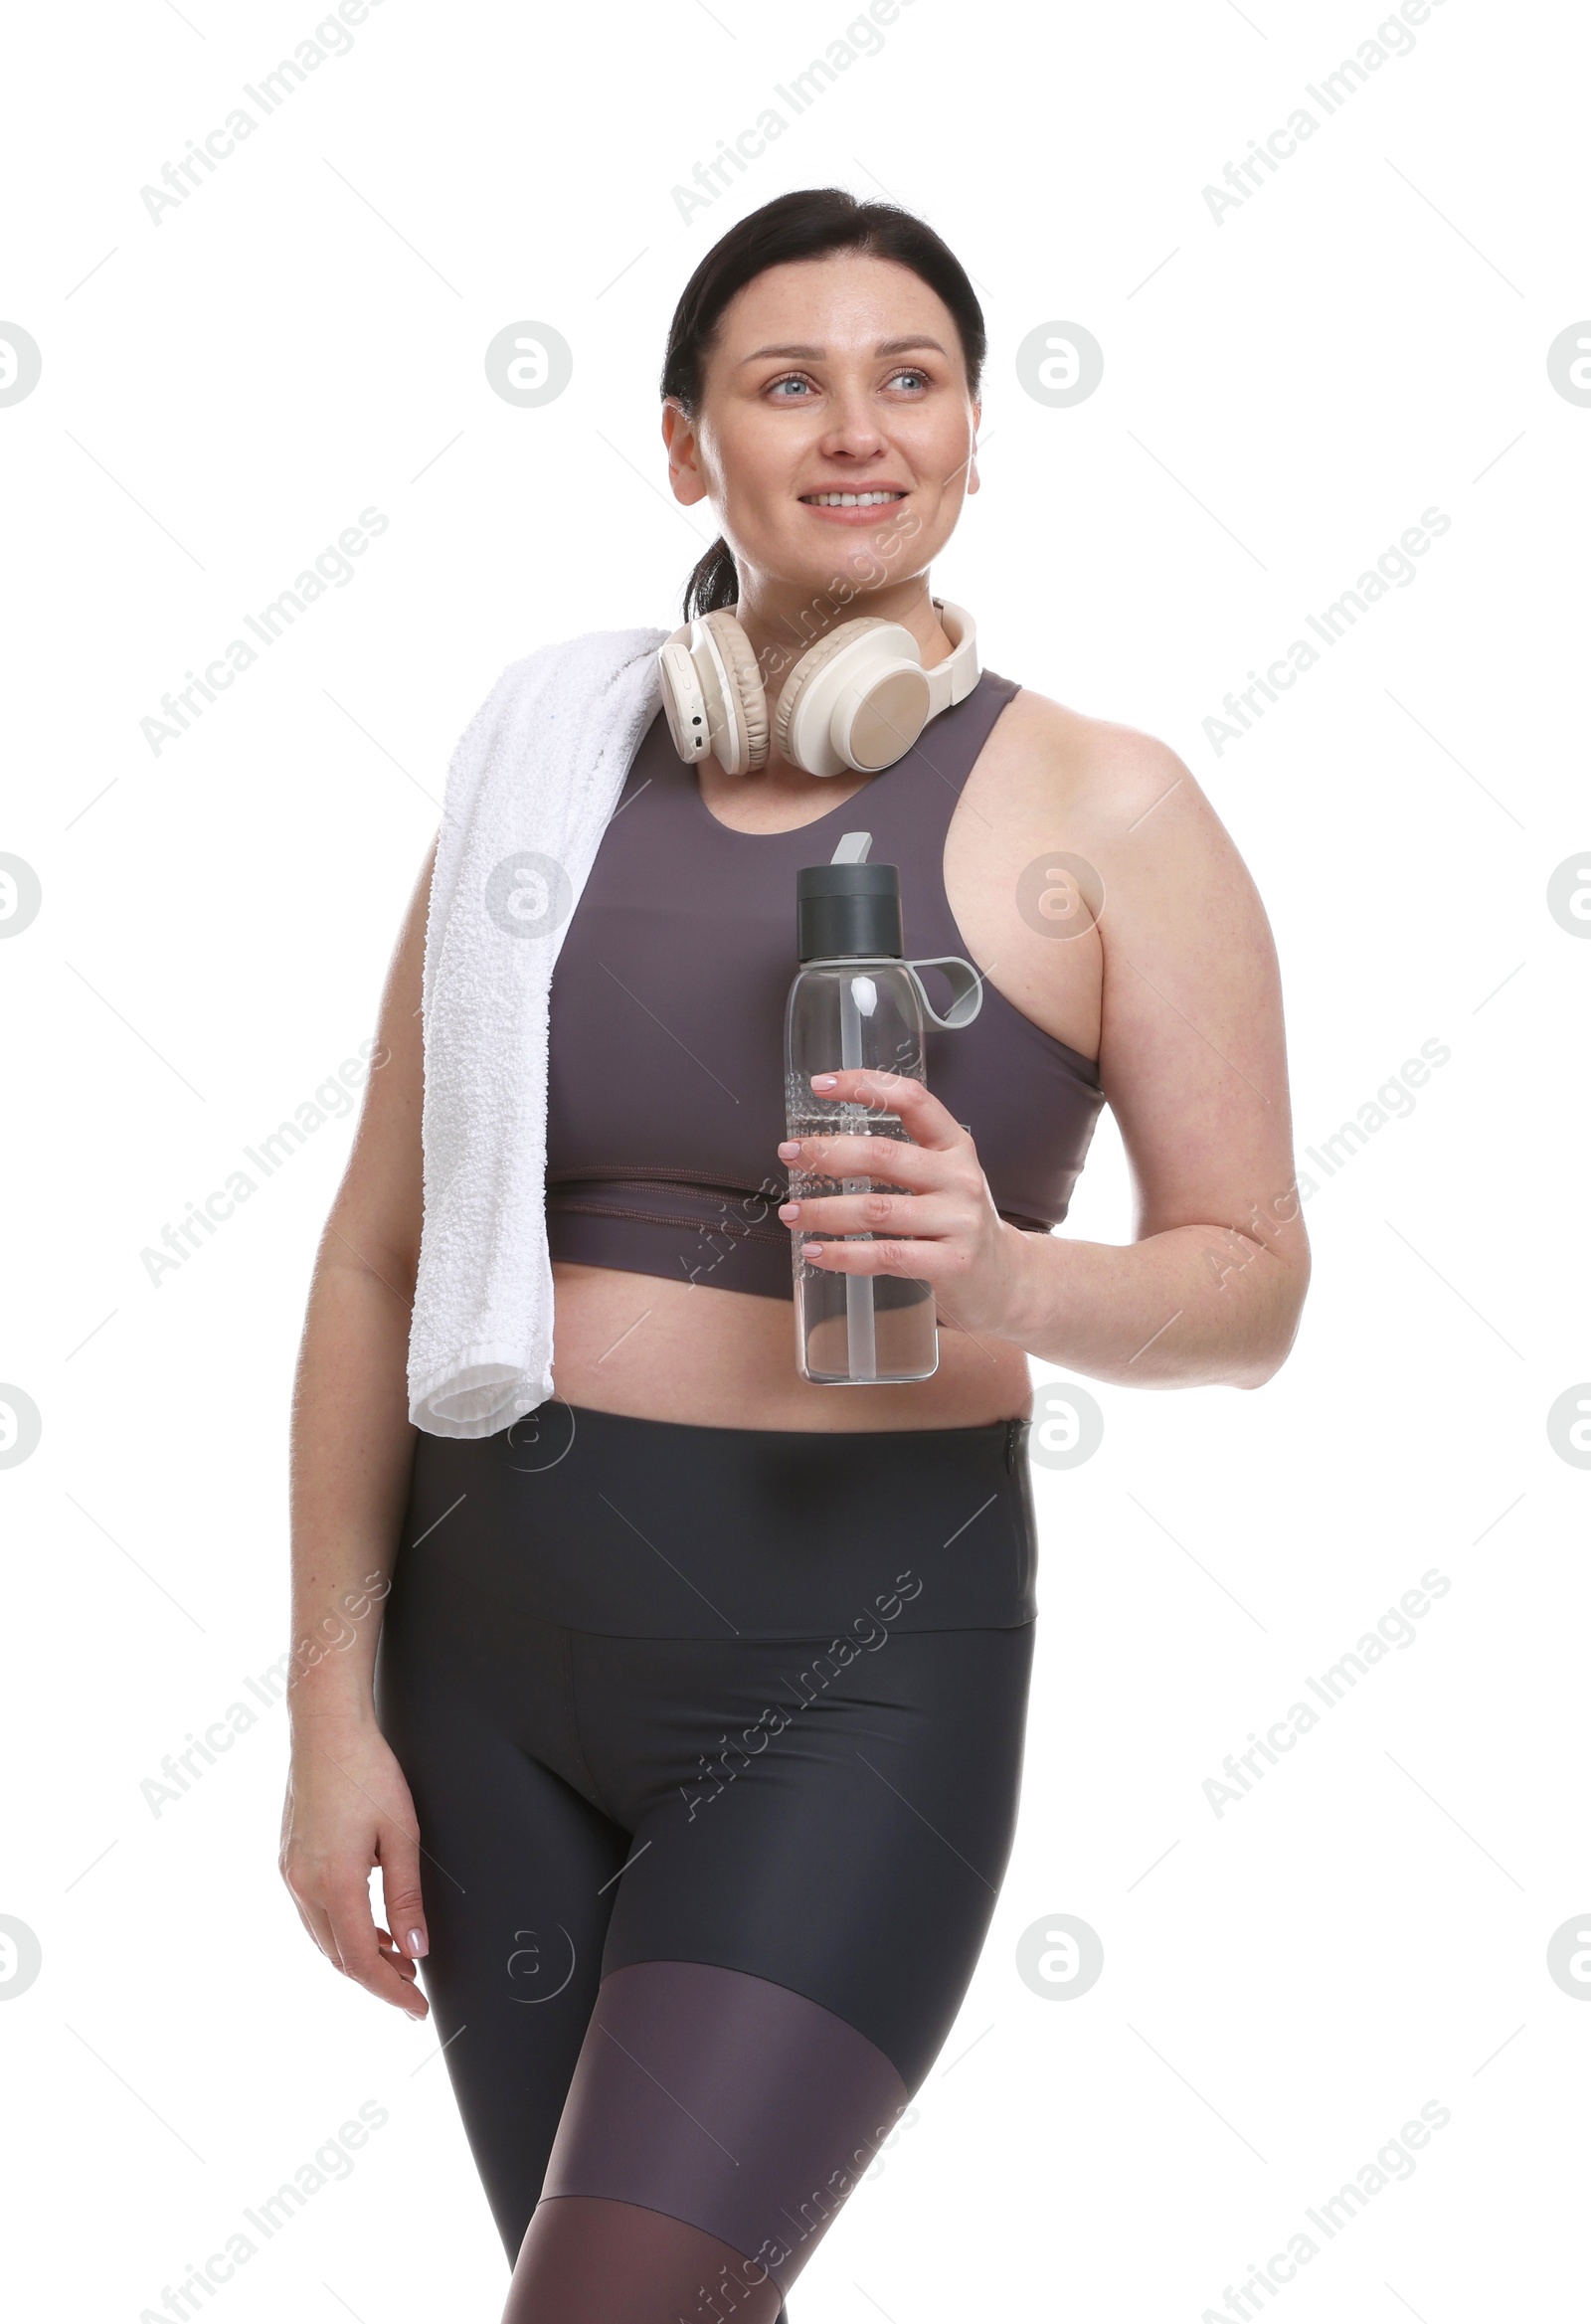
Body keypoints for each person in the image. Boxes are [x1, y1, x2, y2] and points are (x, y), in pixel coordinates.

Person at [278, 186, 1310, 2322]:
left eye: (908, 377)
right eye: (787, 382)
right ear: (684, 446)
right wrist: (326, 1707)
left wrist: (1009, 1273)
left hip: (848, 1688)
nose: (858, 429)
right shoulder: (542, 773)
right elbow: (376, 1257)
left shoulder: (1105, 804)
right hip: (484, 1689)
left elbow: (1251, 1282)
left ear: (964, 428)